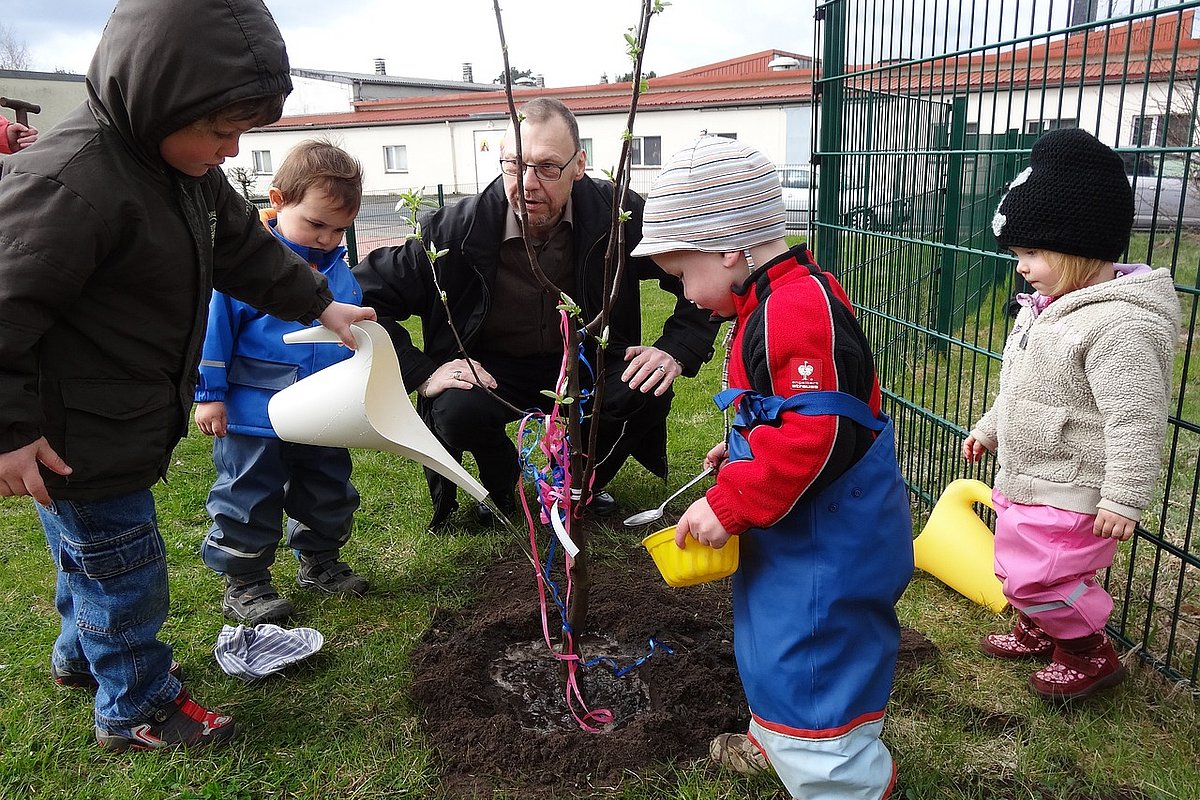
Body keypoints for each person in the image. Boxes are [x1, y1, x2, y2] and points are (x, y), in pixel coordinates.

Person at [0, 0, 375, 752]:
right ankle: (137, 705)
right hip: (75, 433)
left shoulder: (181, 173)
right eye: (221, 129)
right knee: (125, 572)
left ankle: (81, 659)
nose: (234, 150)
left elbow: (246, 249)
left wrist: (321, 305)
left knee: (90, 561)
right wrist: (9, 431)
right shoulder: (71, 184)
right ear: (158, 97)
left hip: (112, 418)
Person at [633, 136, 913, 800]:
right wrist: (738, 451)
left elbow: (817, 433)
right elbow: (788, 413)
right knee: (774, 640)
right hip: (796, 527)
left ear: (729, 250)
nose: (686, 294)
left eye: (682, 274)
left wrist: (729, 502)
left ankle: (841, 781)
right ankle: (779, 739)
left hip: (828, 539)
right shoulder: (770, 296)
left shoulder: (793, 310)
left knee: (812, 654)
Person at [353, 97, 721, 528]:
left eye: (547, 167)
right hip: (492, 369)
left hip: (585, 363)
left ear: (579, 165)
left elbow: (702, 272)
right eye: (514, 164)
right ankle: (502, 480)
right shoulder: (455, 231)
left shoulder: (617, 218)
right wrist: (422, 372)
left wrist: (676, 348)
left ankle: (578, 484)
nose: (527, 183)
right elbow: (359, 296)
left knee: (643, 388)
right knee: (455, 410)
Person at [965, 128, 1181, 702]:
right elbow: (1022, 389)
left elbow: (1136, 418)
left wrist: (1123, 496)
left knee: (1046, 575)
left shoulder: (1119, 327)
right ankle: (1039, 625)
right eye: (1017, 255)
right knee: (1018, 564)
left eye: (1032, 253)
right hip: (1032, 474)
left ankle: (1089, 652)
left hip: (1075, 485)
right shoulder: (1048, 309)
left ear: (1079, 247)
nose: (1021, 268)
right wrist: (991, 427)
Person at [196, 140, 368, 626]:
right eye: (316, 224)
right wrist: (209, 396)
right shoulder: (246, 269)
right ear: (277, 200)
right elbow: (213, 334)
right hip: (255, 416)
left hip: (322, 414)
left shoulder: (338, 272)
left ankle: (320, 561)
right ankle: (245, 583)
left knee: (328, 488)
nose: (327, 239)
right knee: (248, 495)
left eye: (339, 230)